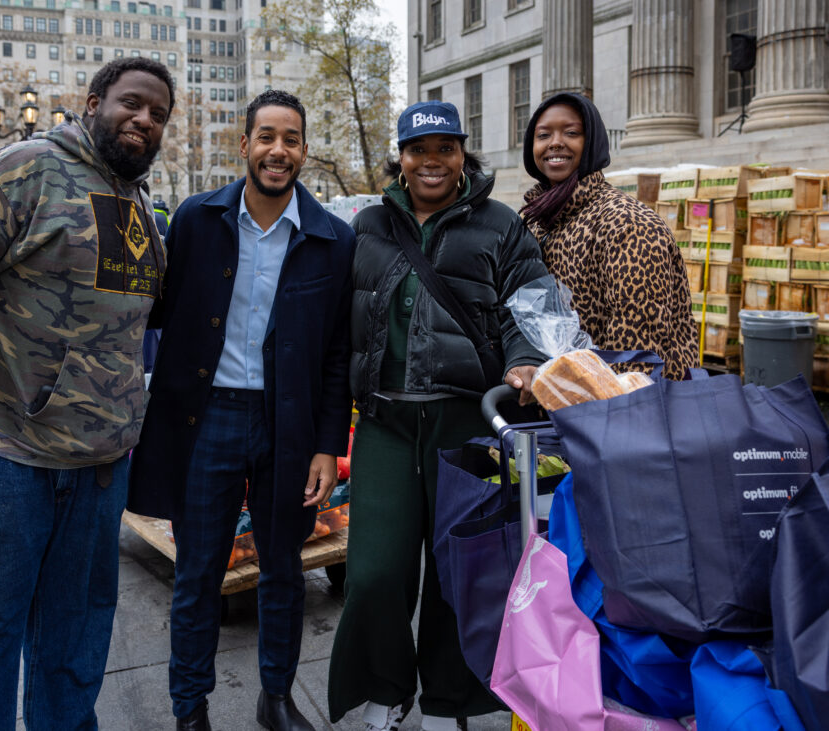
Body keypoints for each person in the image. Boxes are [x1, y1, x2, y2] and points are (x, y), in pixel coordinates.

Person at [0, 57, 173, 729]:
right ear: (94, 102)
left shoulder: (138, 202)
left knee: (76, 634)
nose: (144, 119)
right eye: (132, 103)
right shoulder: (25, 168)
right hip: (2, 454)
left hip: (97, 466)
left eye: (158, 114)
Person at [126, 89, 355, 731]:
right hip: (207, 421)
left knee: (283, 570)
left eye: (291, 139)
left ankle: (276, 698)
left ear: (304, 150)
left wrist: (326, 445)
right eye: (267, 137)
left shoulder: (333, 239)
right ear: (246, 144)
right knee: (198, 572)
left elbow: (337, 352)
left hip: (291, 427)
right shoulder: (197, 219)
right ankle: (190, 708)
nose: (278, 150)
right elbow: (155, 309)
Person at [327, 101, 549, 731]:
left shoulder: (501, 225)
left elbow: (531, 303)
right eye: (418, 150)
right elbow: (337, 321)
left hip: (465, 424)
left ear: (461, 155)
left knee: (458, 572)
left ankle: (448, 701)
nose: (432, 162)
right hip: (385, 424)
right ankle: (387, 687)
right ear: (400, 157)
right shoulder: (367, 225)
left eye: (444, 149)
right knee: (374, 572)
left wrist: (526, 360)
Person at [520, 92, 697, 378]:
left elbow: (637, 354)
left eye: (571, 133)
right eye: (543, 135)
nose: (555, 142)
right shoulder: (538, 220)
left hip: (625, 399)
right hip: (564, 394)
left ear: (592, 143)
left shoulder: (628, 222)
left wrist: (597, 400)